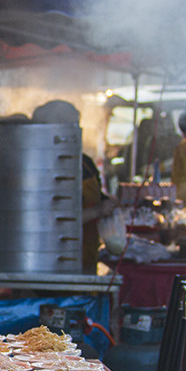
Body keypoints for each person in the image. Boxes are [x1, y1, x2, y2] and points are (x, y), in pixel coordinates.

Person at [32, 100, 115, 271]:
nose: (73, 131)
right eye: (67, 125)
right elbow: (46, 219)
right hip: (49, 262)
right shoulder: (37, 167)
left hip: (86, 256)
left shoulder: (85, 163)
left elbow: (98, 197)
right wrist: (97, 211)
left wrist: (111, 204)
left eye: (75, 125)